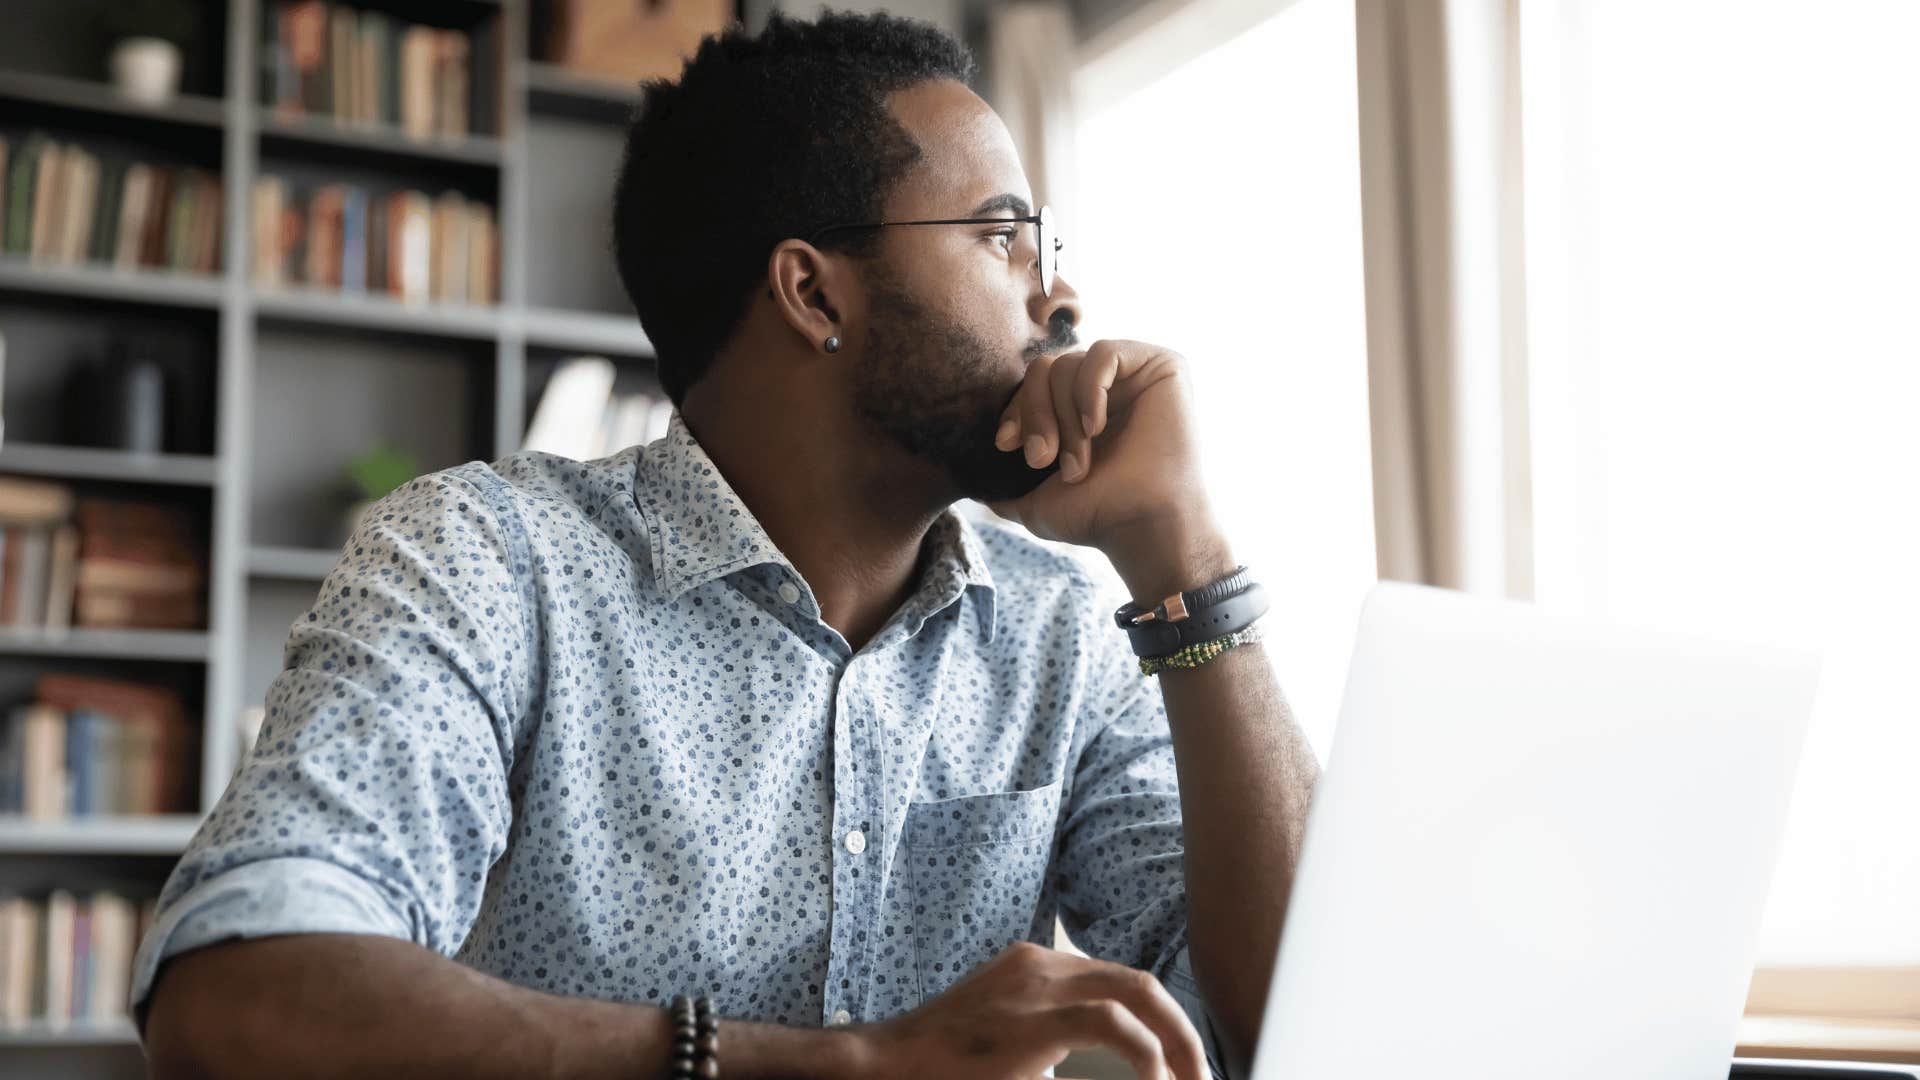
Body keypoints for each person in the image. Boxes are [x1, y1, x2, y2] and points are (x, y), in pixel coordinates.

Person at [136, 8, 1319, 1079]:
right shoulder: (488, 563)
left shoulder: (1063, 630)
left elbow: (1301, 1031)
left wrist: (1189, 566)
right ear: (814, 295)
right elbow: (239, 994)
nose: (1060, 300)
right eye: (1004, 237)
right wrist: (844, 1067)